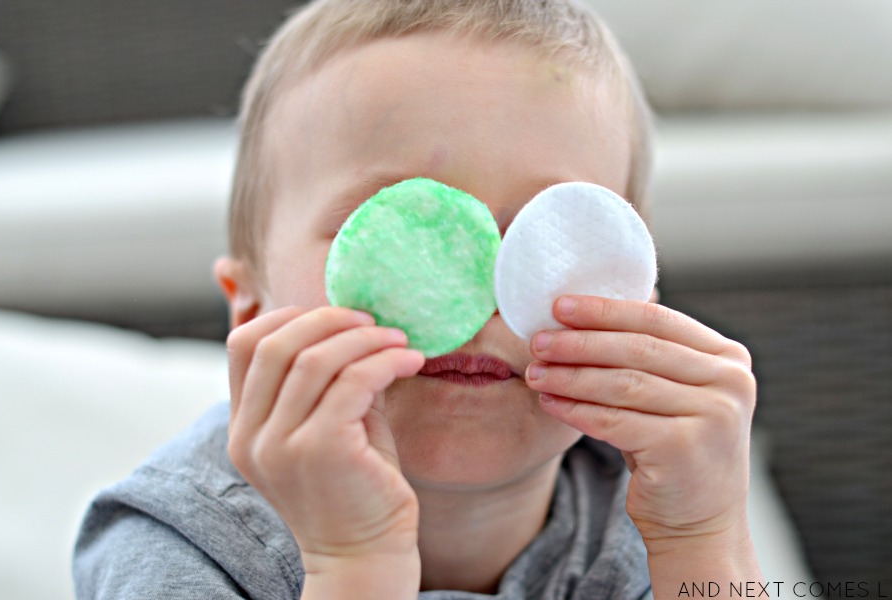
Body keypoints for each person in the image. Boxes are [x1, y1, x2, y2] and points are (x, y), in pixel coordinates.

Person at [73, 1, 763, 598]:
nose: (486, 294)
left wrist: (704, 538)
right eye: (400, 230)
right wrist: (354, 565)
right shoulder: (182, 547)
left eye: (546, 239)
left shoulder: (654, 512)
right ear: (250, 304)